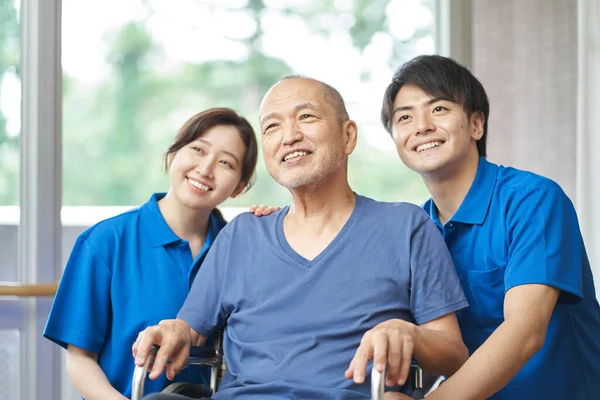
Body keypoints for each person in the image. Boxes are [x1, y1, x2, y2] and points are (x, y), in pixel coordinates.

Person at [132, 76, 470, 400]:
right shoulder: (242, 234)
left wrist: (408, 333)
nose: (289, 136)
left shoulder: (406, 226)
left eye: (306, 117)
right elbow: (192, 329)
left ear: (348, 136)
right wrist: (175, 330)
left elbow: (453, 354)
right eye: (272, 127)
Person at [380, 54, 600, 399]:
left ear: (477, 124)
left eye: (438, 109)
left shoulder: (532, 199)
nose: (421, 126)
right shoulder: (415, 230)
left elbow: (525, 332)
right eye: (404, 117)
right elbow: (434, 348)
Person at [43, 107, 259, 400]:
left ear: (240, 186)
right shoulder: (105, 241)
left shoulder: (242, 247)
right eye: (197, 149)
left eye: (225, 163)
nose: (206, 169)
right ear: (173, 155)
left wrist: (272, 225)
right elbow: (80, 361)